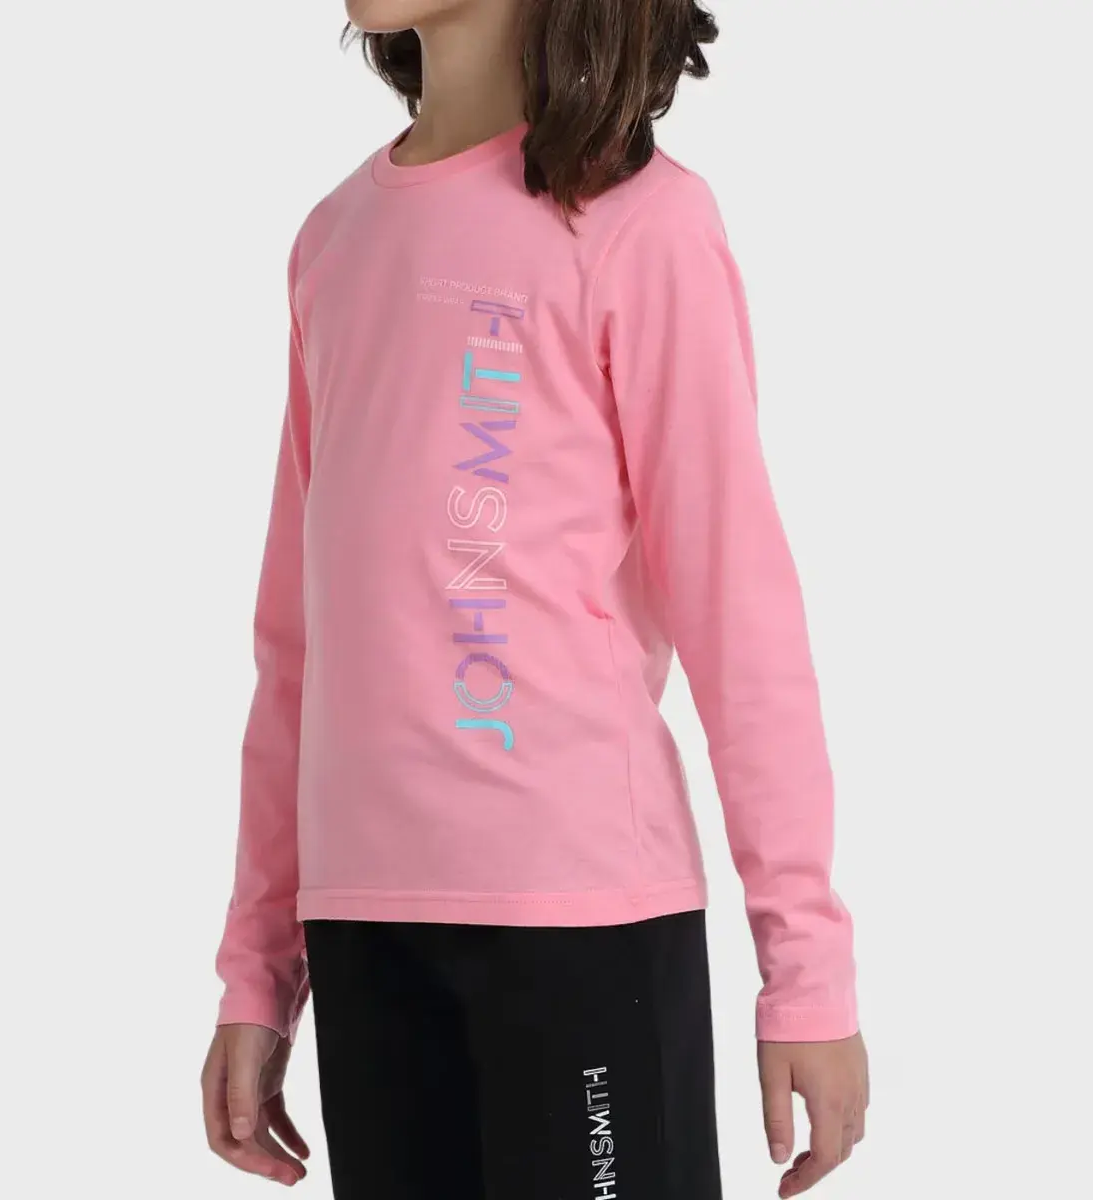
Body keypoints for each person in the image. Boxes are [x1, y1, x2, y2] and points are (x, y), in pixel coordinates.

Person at [200, 2, 868, 1196]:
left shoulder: (639, 224)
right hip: (365, 927)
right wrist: (258, 969)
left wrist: (806, 973)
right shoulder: (335, 241)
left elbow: (741, 616)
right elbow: (297, 644)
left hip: (580, 922)